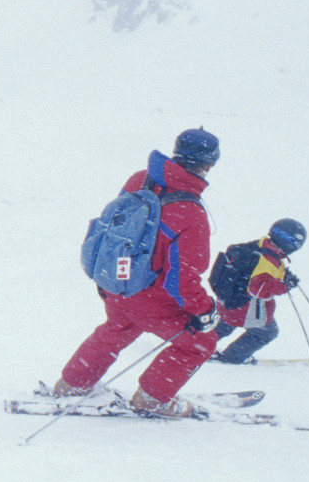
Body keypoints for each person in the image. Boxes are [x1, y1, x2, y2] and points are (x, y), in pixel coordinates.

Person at [52, 129, 225, 418]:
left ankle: (71, 385)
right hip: (152, 300)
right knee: (200, 343)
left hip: (117, 284)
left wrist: (108, 277)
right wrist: (205, 310)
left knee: (118, 327)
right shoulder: (190, 214)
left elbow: (111, 229)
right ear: (209, 164)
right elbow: (183, 282)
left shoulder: (139, 180)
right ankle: (152, 398)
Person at [210, 219, 306, 365]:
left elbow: (254, 272)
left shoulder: (258, 246)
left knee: (226, 324)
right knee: (267, 332)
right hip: (243, 309)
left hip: (228, 302)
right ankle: (232, 358)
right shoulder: (268, 260)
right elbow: (260, 289)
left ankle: (199, 347)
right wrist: (284, 285)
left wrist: (282, 275)